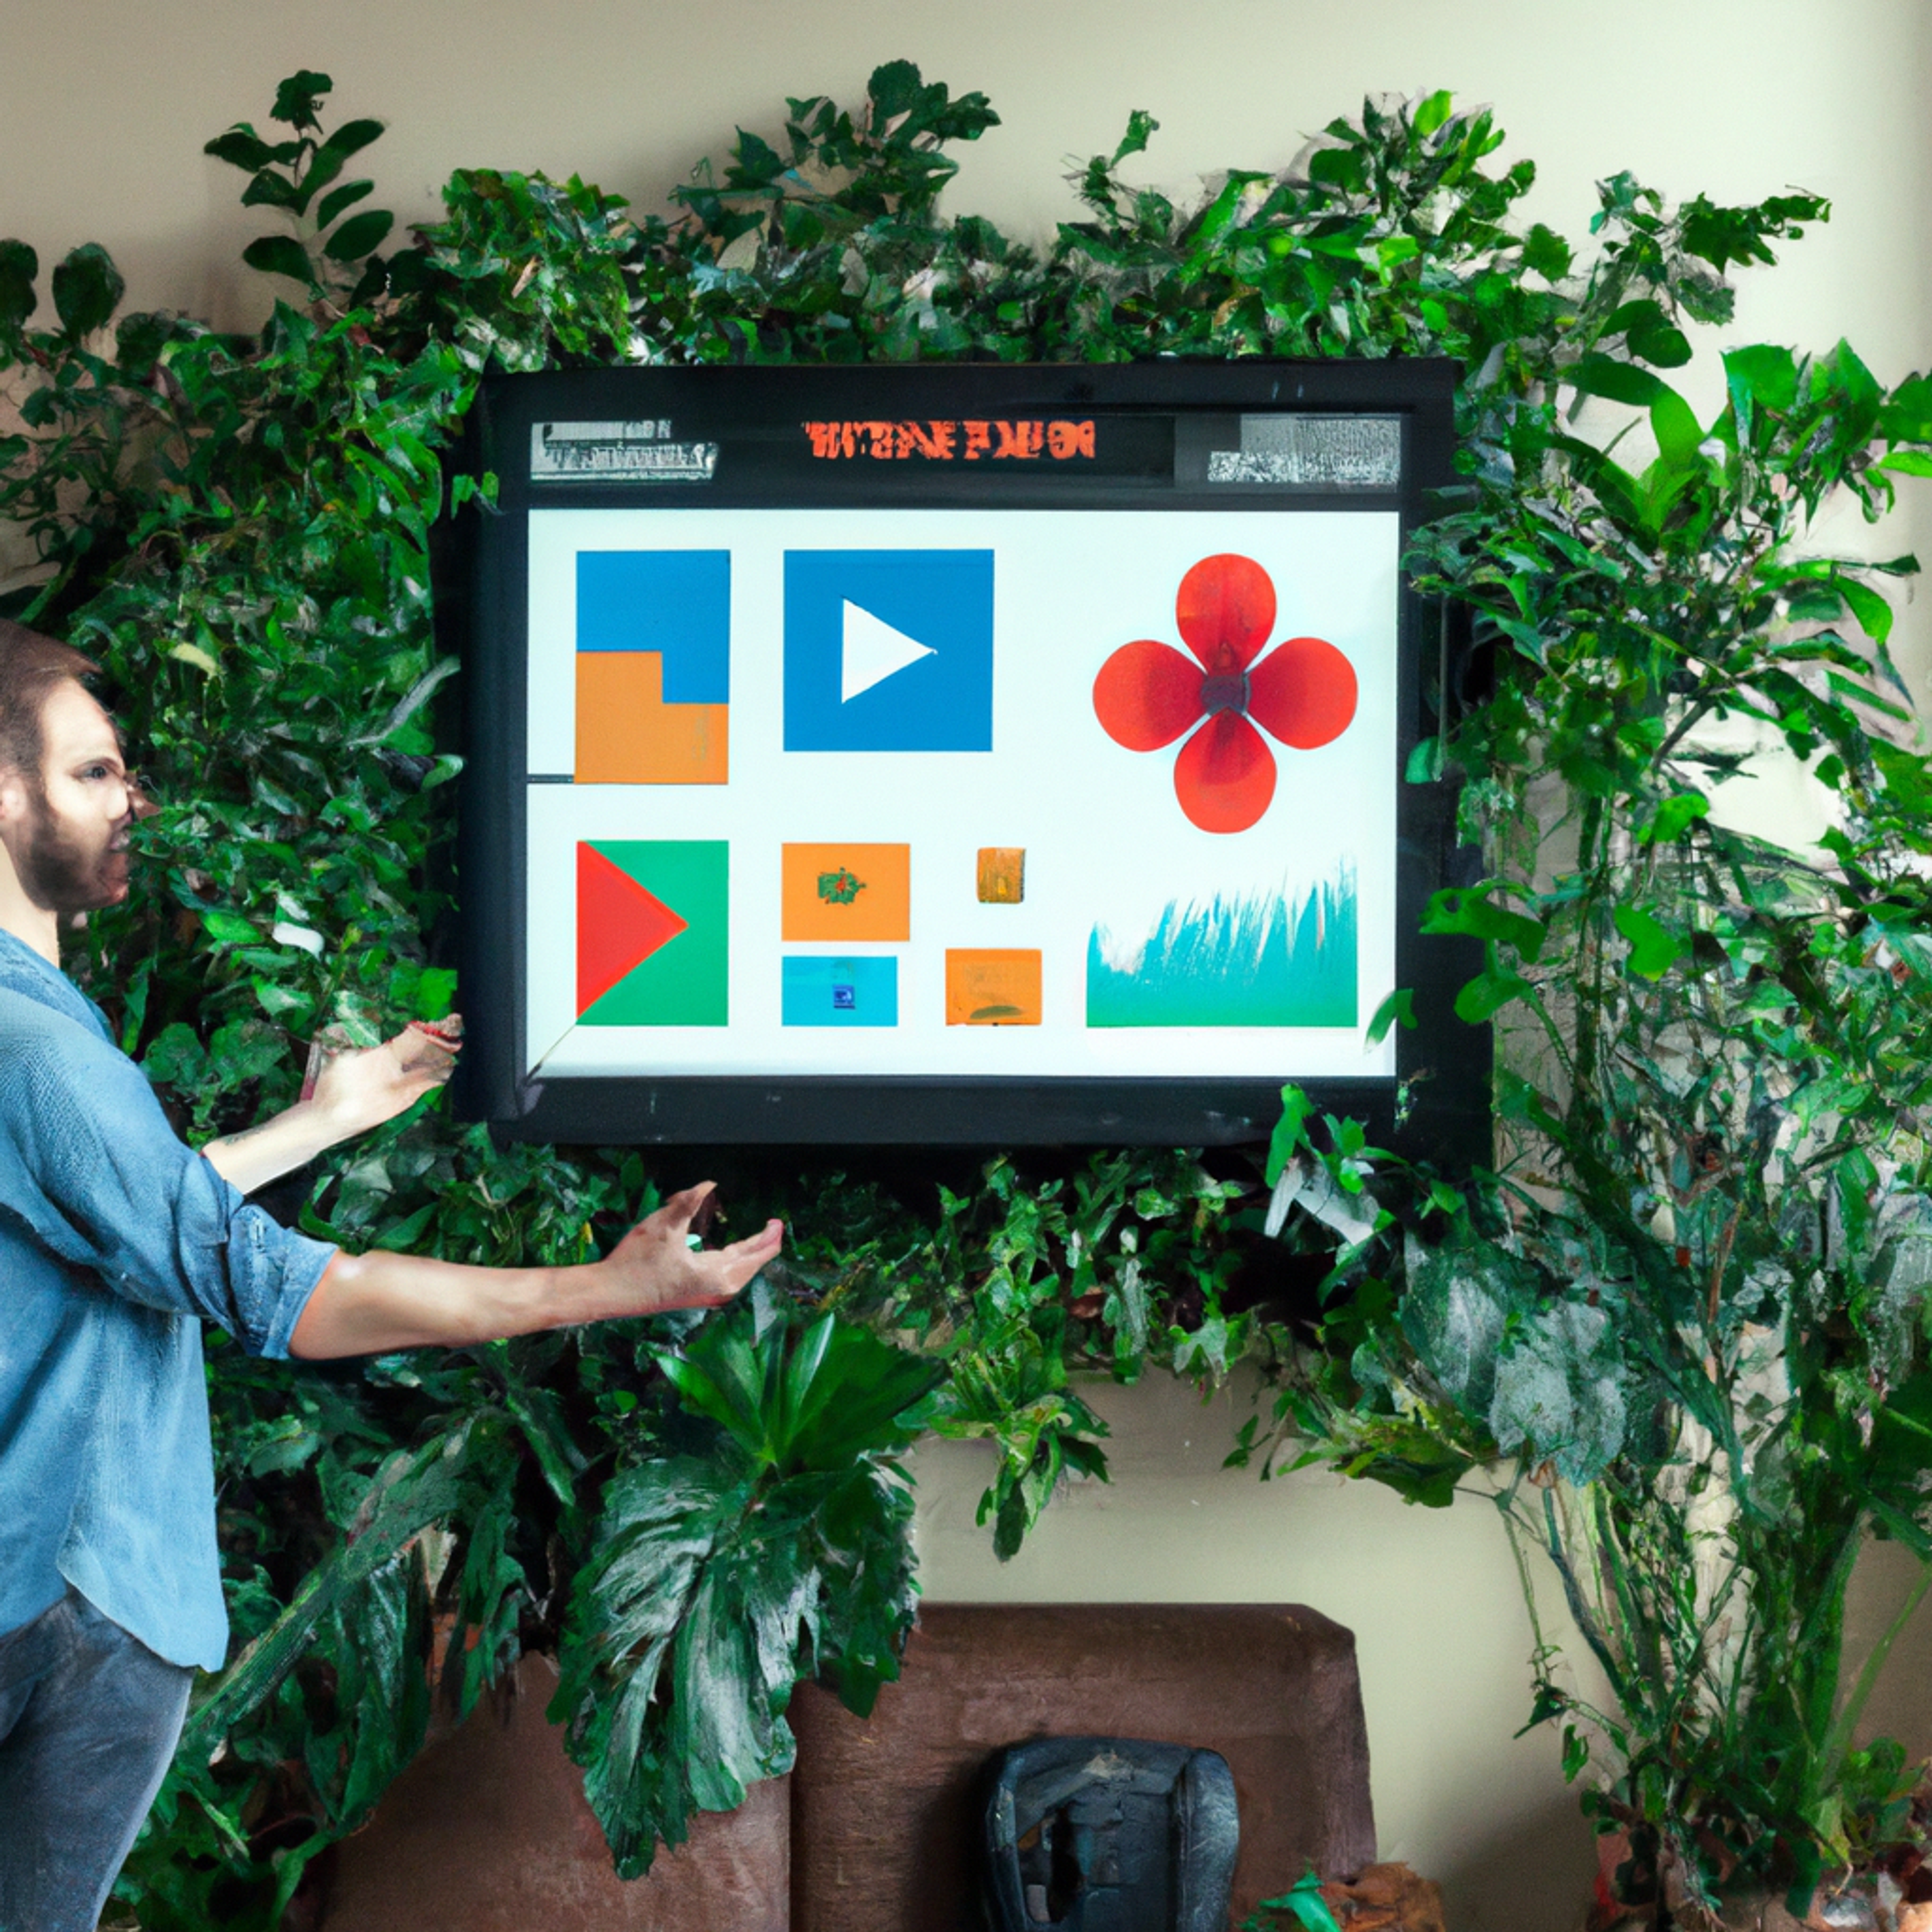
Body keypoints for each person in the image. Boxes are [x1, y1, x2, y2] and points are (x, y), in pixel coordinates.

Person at [0, 618, 784, 1930]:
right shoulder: (40, 1056)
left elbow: (125, 1216)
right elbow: (290, 1291)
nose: (134, 797)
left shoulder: (38, 1048)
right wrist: (604, 1287)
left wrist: (323, 1118)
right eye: (93, 772)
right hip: (82, 1600)